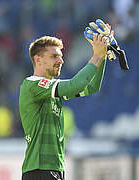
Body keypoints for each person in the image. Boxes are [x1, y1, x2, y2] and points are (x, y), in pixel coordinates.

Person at [19, 31, 109, 180]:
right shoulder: (32, 84)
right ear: (38, 59)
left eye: (61, 56)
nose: (61, 61)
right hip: (39, 168)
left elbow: (92, 87)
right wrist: (96, 55)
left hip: (54, 168)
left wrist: (103, 56)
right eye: (54, 56)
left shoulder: (52, 90)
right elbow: (76, 84)